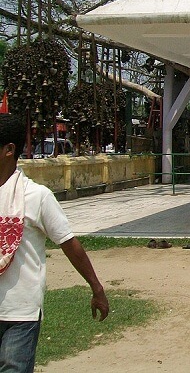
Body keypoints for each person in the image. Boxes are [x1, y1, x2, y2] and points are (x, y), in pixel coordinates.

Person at [0, 113, 109, 371]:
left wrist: (97, 288)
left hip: (20, 313)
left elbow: (69, 244)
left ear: (9, 150)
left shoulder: (36, 196)